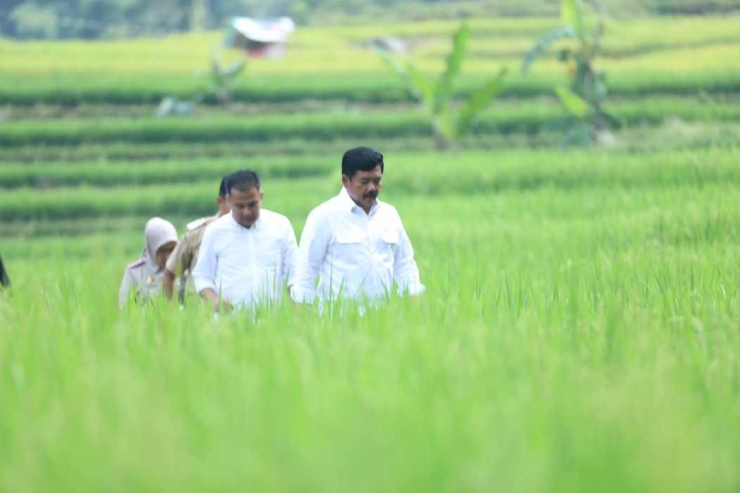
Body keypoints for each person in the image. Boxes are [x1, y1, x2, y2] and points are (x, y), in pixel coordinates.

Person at [291, 146, 425, 307]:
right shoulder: (324, 216)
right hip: (337, 321)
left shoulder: (390, 215)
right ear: (346, 181)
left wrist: (416, 304)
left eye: (377, 181)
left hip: (383, 320)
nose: (372, 188)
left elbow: (404, 264)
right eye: (364, 182)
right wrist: (302, 319)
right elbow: (306, 271)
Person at [192, 169, 298, 313]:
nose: (246, 212)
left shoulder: (280, 226)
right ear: (228, 201)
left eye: (252, 204)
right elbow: (202, 276)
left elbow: (295, 273)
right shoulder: (215, 231)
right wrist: (214, 300)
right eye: (240, 206)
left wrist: (296, 306)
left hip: (273, 322)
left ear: (261, 197)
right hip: (229, 322)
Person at [163, 175, 231, 303]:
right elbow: (170, 272)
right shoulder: (197, 233)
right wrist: (168, 313)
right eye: (233, 201)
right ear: (220, 201)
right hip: (199, 313)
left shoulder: (256, 236)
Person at [119, 217, 178, 308]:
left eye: (172, 250)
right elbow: (123, 306)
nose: (168, 256)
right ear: (152, 248)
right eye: (162, 251)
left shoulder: (183, 270)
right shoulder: (135, 273)